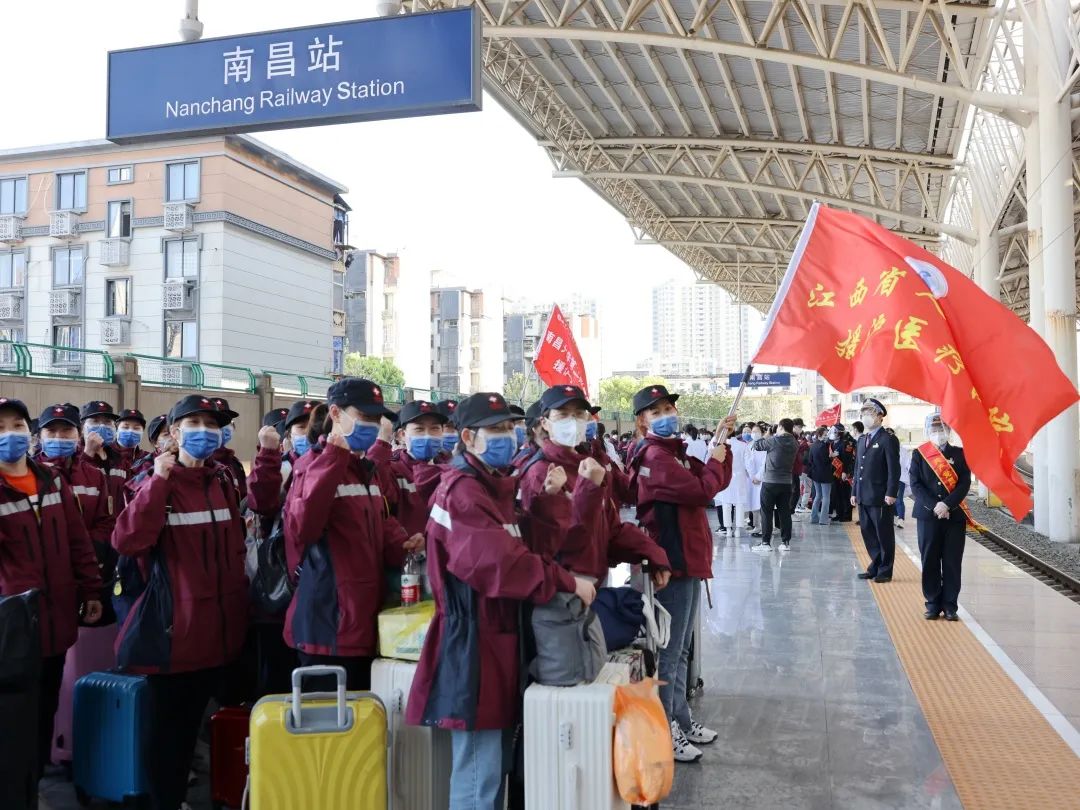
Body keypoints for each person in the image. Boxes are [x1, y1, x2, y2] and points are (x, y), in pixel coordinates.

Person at [406, 392, 596, 810]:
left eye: (510, 427)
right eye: (495, 429)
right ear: (469, 437)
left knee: (491, 766)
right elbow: (501, 565)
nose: (507, 436)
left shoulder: (492, 486)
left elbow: (528, 546)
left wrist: (547, 501)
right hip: (474, 643)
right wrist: (568, 582)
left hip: (495, 639)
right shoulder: (464, 492)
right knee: (479, 773)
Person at [111, 394, 248, 810]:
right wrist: (159, 480)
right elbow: (128, 540)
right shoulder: (151, 483)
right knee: (167, 746)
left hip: (221, 636)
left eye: (213, 424)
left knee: (203, 739)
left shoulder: (222, 479)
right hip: (175, 640)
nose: (205, 432)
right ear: (173, 432)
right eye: (195, 423)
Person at [282, 379, 423, 690]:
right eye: (364, 417)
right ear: (336, 413)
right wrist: (333, 458)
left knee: (359, 729)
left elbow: (378, 523)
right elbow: (302, 529)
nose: (371, 426)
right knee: (329, 732)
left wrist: (403, 544)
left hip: (362, 621)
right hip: (327, 628)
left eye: (376, 419)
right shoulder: (313, 465)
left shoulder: (365, 471)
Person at [0, 397, 103, 784]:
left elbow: (77, 539)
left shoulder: (52, 480)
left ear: (29, 433)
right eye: (0, 428)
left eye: (15, 425)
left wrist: (91, 589)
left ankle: (37, 779)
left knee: (44, 706)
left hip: (56, 618)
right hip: (12, 628)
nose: (9, 435)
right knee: (14, 719)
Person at [629, 384, 734, 763]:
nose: (667, 414)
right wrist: (717, 459)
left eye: (670, 407)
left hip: (686, 560)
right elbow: (701, 491)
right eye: (656, 411)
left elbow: (710, 480)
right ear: (641, 421)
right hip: (671, 564)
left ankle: (682, 720)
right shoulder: (655, 458)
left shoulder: (673, 454)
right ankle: (665, 729)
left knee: (682, 648)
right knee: (670, 654)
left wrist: (719, 444)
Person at [517, 384, 671, 584]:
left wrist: (653, 553)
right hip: (563, 590)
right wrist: (589, 488)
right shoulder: (541, 472)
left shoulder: (586, 464)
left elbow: (611, 528)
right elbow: (563, 542)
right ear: (545, 423)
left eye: (579, 414)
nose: (572, 422)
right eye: (563, 415)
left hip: (594, 583)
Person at [36, 403, 117, 623]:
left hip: (85, 573)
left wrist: (83, 550)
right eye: (51, 431)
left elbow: (105, 522)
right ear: (39, 436)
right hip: (41, 579)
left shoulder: (94, 476)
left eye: (66, 430)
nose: (59, 437)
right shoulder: (30, 475)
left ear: (78, 434)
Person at [909, 413, 971, 620]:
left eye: (942, 429)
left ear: (949, 430)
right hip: (928, 516)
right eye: (934, 430)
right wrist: (935, 505)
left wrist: (947, 504)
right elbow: (915, 485)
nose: (938, 433)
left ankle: (951, 605)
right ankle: (933, 603)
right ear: (928, 431)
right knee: (930, 560)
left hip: (953, 516)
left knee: (952, 561)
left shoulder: (960, 453)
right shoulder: (919, 454)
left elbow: (964, 483)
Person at [852, 398, 901, 583]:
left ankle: (885, 570)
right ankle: (875, 565)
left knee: (884, 534)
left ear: (880, 417)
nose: (866, 417)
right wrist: (854, 492)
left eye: (870, 414)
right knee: (868, 533)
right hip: (863, 496)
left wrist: (891, 493)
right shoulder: (862, 439)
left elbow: (893, 469)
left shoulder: (888, 439)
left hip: (880, 496)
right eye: (864, 414)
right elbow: (858, 468)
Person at [750, 418, 799, 552]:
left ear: (781, 427)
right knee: (784, 513)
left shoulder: (774, 440)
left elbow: (757, 445)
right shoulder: (795, 443)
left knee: (766, 512)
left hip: (770, 482)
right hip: (786, 483)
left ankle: (766, 543)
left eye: (778, 427)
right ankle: (785, 543)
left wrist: (767, 433)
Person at [79, 400, 129, 506]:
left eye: (107, 422)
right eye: (95, 421)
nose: (102, 426)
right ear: (82, 428)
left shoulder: (120, 459)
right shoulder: (74, 456)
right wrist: (88, 453)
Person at [713, 422, 751, 536]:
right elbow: (747, 463)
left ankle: (728, 529)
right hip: (740, 478)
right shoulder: (743, 445)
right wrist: (751, 476)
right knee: (739, 504)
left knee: (726, 504)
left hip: (726, 477)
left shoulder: (720, 446)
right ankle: (738, 530)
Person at [209, 397, 247, 500]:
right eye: (219, 421)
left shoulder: (234, 462)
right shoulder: (201, 463)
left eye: (227, 421)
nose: (224, 426)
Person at [807, 427, 834, 526]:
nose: (827, 436)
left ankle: (813, 518)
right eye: (825, 434)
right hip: (825, 475)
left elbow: (810, 460)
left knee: (818, 496)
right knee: (826, 497)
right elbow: (825, 461)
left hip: (815, 474)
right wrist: (832, 456)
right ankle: (823, 519)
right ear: (820, 435)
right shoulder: (823, 446)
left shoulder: (813, 445)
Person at [745, 424, 766, 536]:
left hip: (762, 479)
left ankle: (765, 527)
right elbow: (747, 461)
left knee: (763, 504)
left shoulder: (766, 445)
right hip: (752, 479)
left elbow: (765, 463)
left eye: (757, 431)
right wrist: (752, 475)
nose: (754, 433)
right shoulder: (750, 445)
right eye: (752, 431)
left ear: (762, 433)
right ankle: (757, 526)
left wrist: (758, 477)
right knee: (754, 503)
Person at [790, 418, 810, 513]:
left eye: (802, 427)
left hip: (796, 469)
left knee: (795, 491)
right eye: (799, 427)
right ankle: (789, 512)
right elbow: (794, 450)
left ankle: (790, 512)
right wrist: (804, 446)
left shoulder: (796, 437)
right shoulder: (790, 437)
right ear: (793, 426)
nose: (801, 429)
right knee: (795, 491)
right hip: (791, 469)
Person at [895, 435, 912, 530]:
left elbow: (908, 465)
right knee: (890, 499)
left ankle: (901, 519)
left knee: (899, 499)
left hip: (900, 478)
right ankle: (896, 515)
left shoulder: (903, 451)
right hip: (887, 479)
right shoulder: (885, 448)